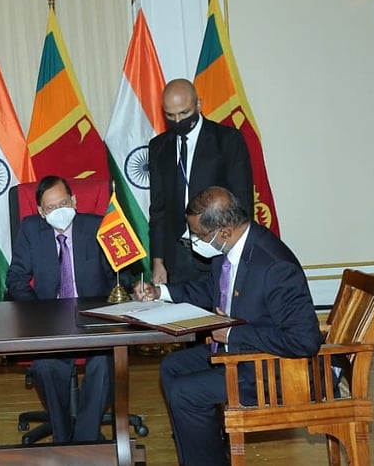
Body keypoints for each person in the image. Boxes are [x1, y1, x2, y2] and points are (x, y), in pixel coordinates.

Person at [133, 186, 322, 466]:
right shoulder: (230, 247)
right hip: (240, 352)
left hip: (269, 370)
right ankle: (204, 456)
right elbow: (210, 287)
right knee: (172, 368)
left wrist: (233, 333)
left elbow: (305, 339)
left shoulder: (274, 267)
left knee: (186, 393)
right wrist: (162, 293)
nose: (194, 240)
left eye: (198, 235)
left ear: (223, 231)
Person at [5, 175, 116, 443]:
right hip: (51, 320)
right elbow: (15, 279)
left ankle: (86, 438)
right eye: (51, 207)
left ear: (74, 201)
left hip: (93, 318)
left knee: (105, 361)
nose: (59, 211)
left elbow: (119, 276)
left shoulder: (97, 226)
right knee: (45, 366)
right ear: (42, 212)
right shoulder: (31, 229)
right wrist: (40, 313)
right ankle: (63, 437)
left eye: (63, 203)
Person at [148, 78, 253, 285]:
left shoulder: (227, 140)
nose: (177, 120)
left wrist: (236, 252)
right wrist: (158, 261)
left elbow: (243, 203)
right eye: (170, 115)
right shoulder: (158, 147)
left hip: (218, 250)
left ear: (198, 105)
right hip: (177, 256)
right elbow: (158, 209)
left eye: (184, 113)